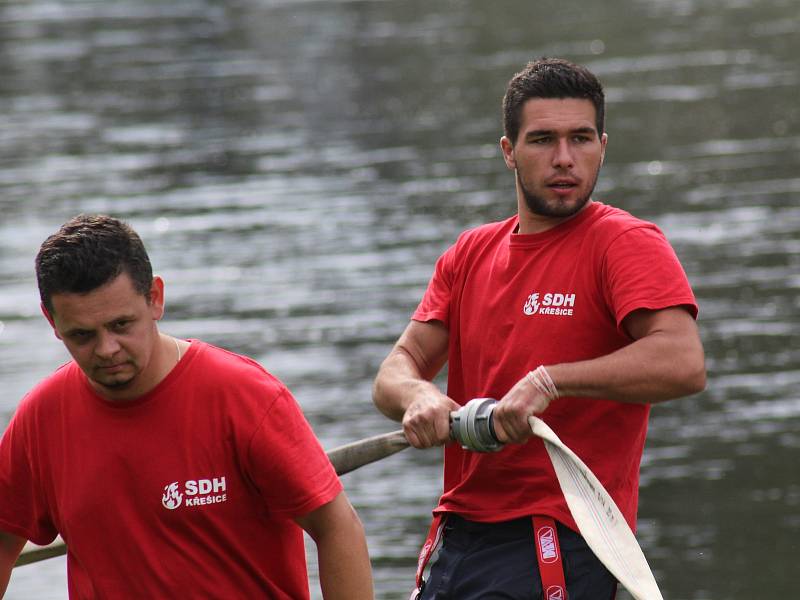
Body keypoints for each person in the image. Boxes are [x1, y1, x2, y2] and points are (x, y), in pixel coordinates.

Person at [372, 58, 706, 599]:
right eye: (543, 140)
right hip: (457, 533)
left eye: (580, 138)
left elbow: (683, 362)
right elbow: (395, 371)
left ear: (603, 144)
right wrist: (419, 397)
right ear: (509, 151)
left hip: (559, 536)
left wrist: (549, 381)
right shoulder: (470, 252)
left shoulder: (625, 243)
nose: (564, 159)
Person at [0, 215, 374, 599]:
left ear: (155, 298)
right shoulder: (41, 419)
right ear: (53, 321)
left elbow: (337, 528)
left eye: (121, 324)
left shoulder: (244, 397)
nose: (106, 349)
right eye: (82, 335)